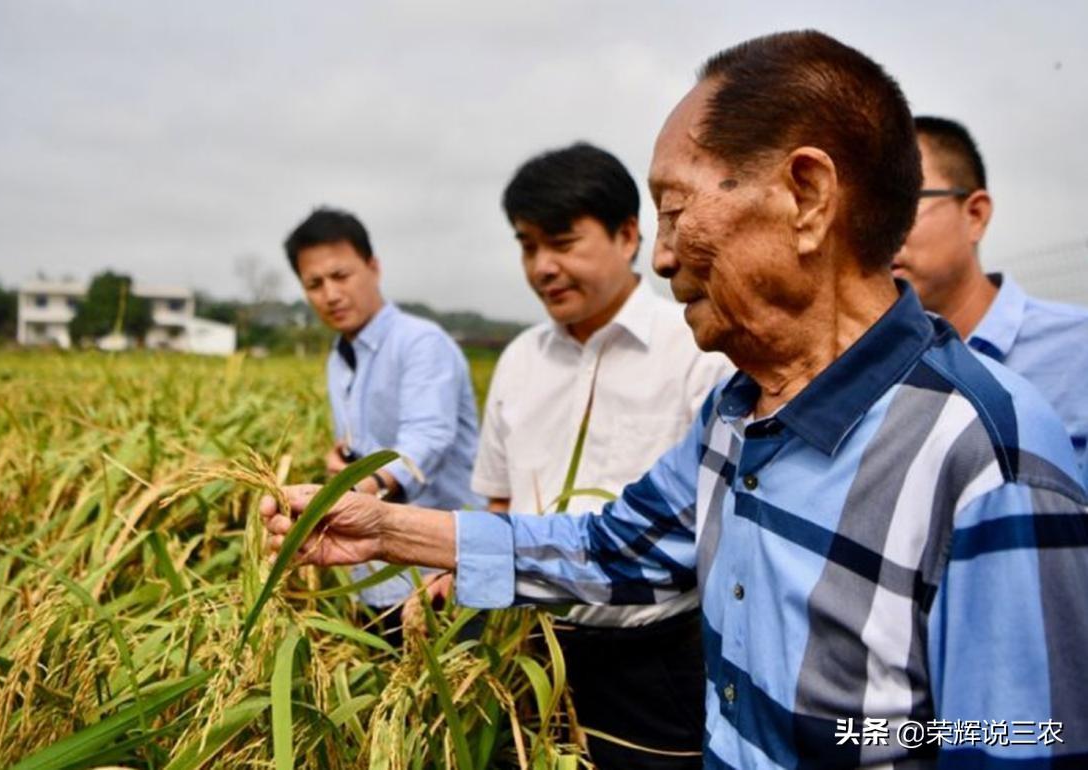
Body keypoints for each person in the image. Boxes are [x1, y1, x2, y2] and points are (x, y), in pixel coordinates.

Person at [265, 32, 1088, 769]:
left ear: (806, 197)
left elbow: (1013, 739)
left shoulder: (988, 460)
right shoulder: (739, 413)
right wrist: (392, 531)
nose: (661, 259)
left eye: (674, 211)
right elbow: (617, 552)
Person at [468, 142, 730, 767]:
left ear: (627, 234)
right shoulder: (519, 360)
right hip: (526, 652)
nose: (543, 267)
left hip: (654, 659)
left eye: (562, 242)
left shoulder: (697, 349)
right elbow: (498, 498)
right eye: (528, 246)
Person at [283, 207, 481, 638]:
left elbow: (427, 438)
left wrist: (356, 487)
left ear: (373, 267)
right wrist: (342, 460)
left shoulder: (420, 344)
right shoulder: (341, 356)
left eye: (341, 275)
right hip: (371, 577)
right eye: (314, 284)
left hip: (437, 575)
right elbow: (365, 442)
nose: (330, 294)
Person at [893, 116, 1088, 486]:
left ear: (975, 214)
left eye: (901, 203)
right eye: (867, 211)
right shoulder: (869, 376)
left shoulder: (1079, 351)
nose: (881, 231)